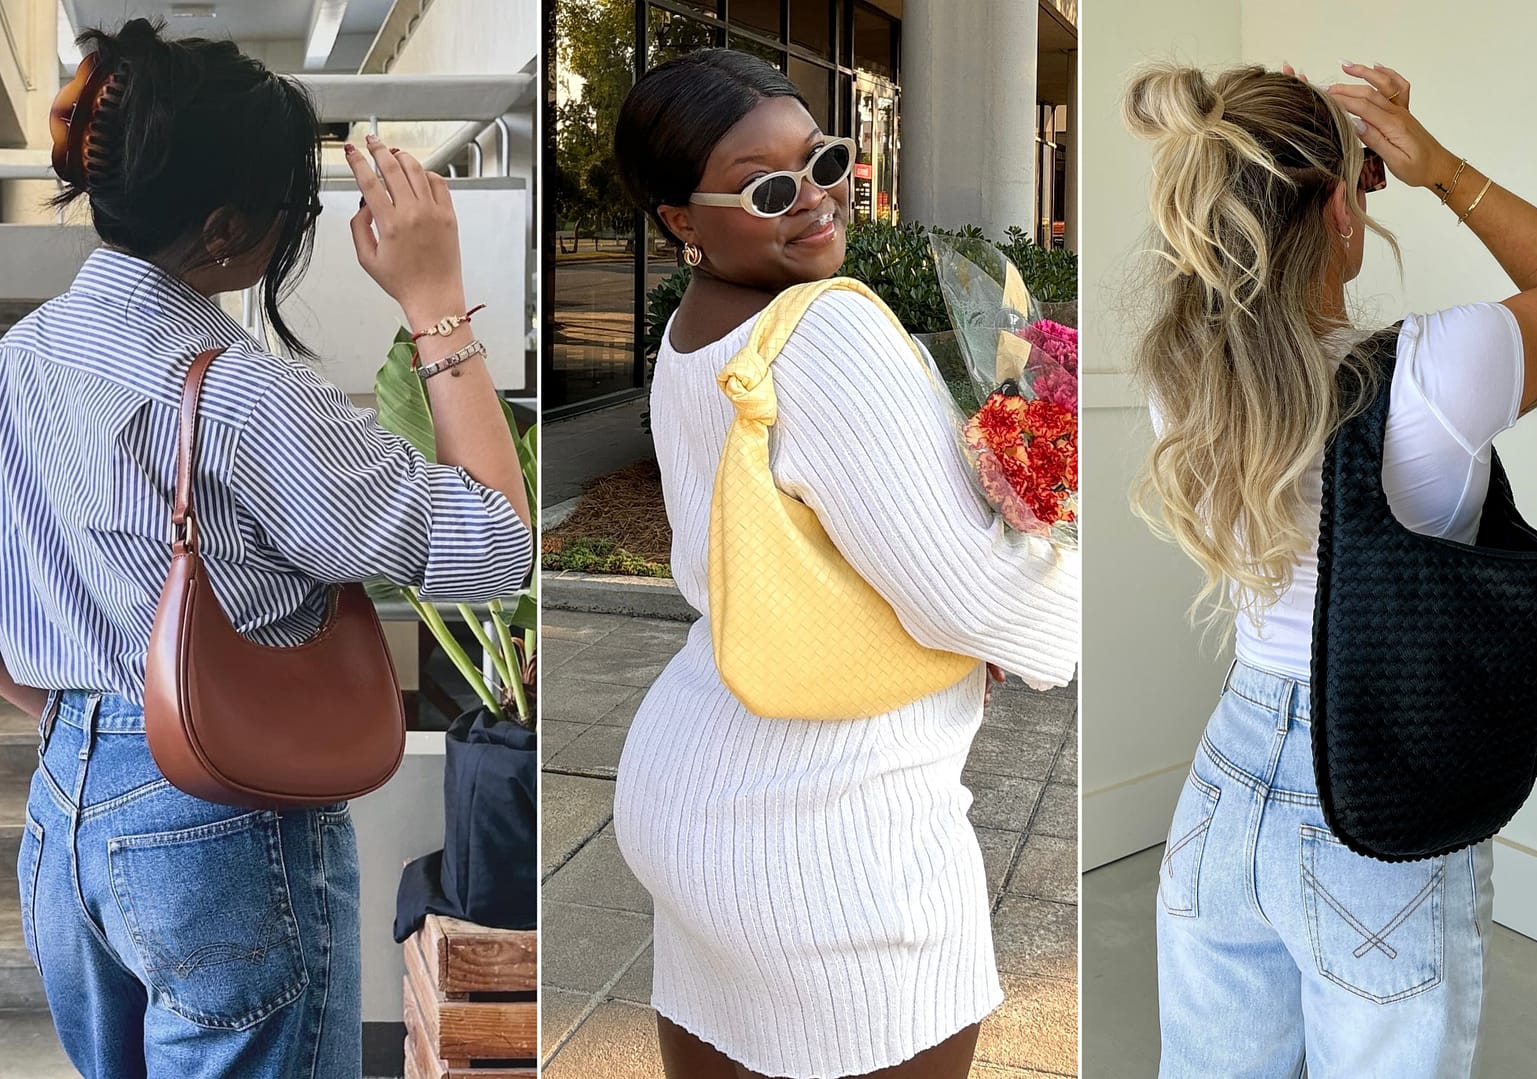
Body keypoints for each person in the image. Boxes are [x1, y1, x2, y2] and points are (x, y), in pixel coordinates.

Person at [4, 19, 531, 1077]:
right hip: (215, 813)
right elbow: (497, 541)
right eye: (294, 213)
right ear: (224, 230)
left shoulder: (23, 354)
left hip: (64, 810)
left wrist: (88, 707)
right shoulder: (246, 398)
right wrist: (433, 299)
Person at [1125, 60, 1537, 1078]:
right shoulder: (1434, 375)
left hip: (1222, 779)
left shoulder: (1180, 375)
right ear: (1344, 205)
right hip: (1379, 791)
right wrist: (1436, 168)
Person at [609, 48, 1080, 1079]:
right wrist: (1067, 599)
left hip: (697, 775)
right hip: (827, 824)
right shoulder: (826, 331)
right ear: (680, 222)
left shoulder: (695, 332)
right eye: (766, 187)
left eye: (822, 157)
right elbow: (965, 586)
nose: (815, 197)